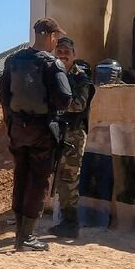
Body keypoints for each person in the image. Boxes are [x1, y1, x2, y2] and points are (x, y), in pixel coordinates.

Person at [0, 17, 72, 251]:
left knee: (21, 177)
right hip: (42, 130)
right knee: (38, 181)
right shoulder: (52, 64)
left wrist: (12, 123)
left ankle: (20, 231)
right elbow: (65, 98)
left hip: (18, 130)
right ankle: (27, 237)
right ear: (51, 36)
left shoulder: (13, 60)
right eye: (56, 38)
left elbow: (4, 97)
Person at [49, 37, 94, 238]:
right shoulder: (53, 74)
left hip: (74, 133)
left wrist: (55, 101)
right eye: (59, 51)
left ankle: (71, 223)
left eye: (66, 52)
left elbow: (79, 104)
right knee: (60, 177)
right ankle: (65, 220)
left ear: (73, 54)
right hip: (58, 131)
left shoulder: (80, 76)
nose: (62, 55)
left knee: (69, 178)